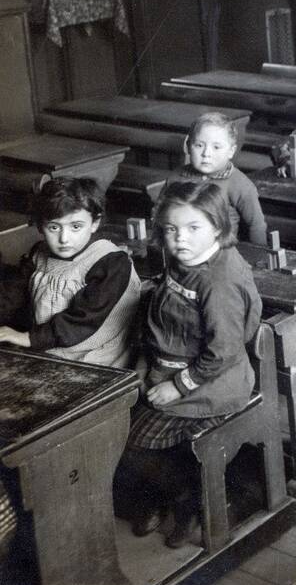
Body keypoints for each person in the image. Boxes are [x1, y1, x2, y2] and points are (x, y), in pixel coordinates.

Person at [115, 181, 262, 548]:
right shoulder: (184, 260)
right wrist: (144, 366)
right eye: (171, 229)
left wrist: (178, 385)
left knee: (130, 443)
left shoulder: (219, 280)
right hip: (169, 371)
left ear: (218, 227)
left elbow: (223, 351)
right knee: (115, 427)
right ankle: (166, 497)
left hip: (212, 386)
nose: (180, 238)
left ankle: (184, 499)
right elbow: (163, 325)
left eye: (193, 228)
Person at [0, 177, 140, 368]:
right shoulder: (38, 254)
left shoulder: (111, 262)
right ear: (40, 226)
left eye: (76, 227)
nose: (64, 239)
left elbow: (85, 319)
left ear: (94, 223)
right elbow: (12, 296)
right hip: (48, 347)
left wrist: (29, 338)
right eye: (54, 227)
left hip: (95, 357)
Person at [174, 112, 268, 245]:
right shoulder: (176, 177)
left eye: (216, 147)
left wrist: (259, 254)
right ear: (188, 146)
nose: (206, 153)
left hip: (222, 252)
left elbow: (256, 225)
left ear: (231, 151)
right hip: (181, 247)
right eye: (199, 145)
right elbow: (160, 214)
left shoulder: (240, 184)